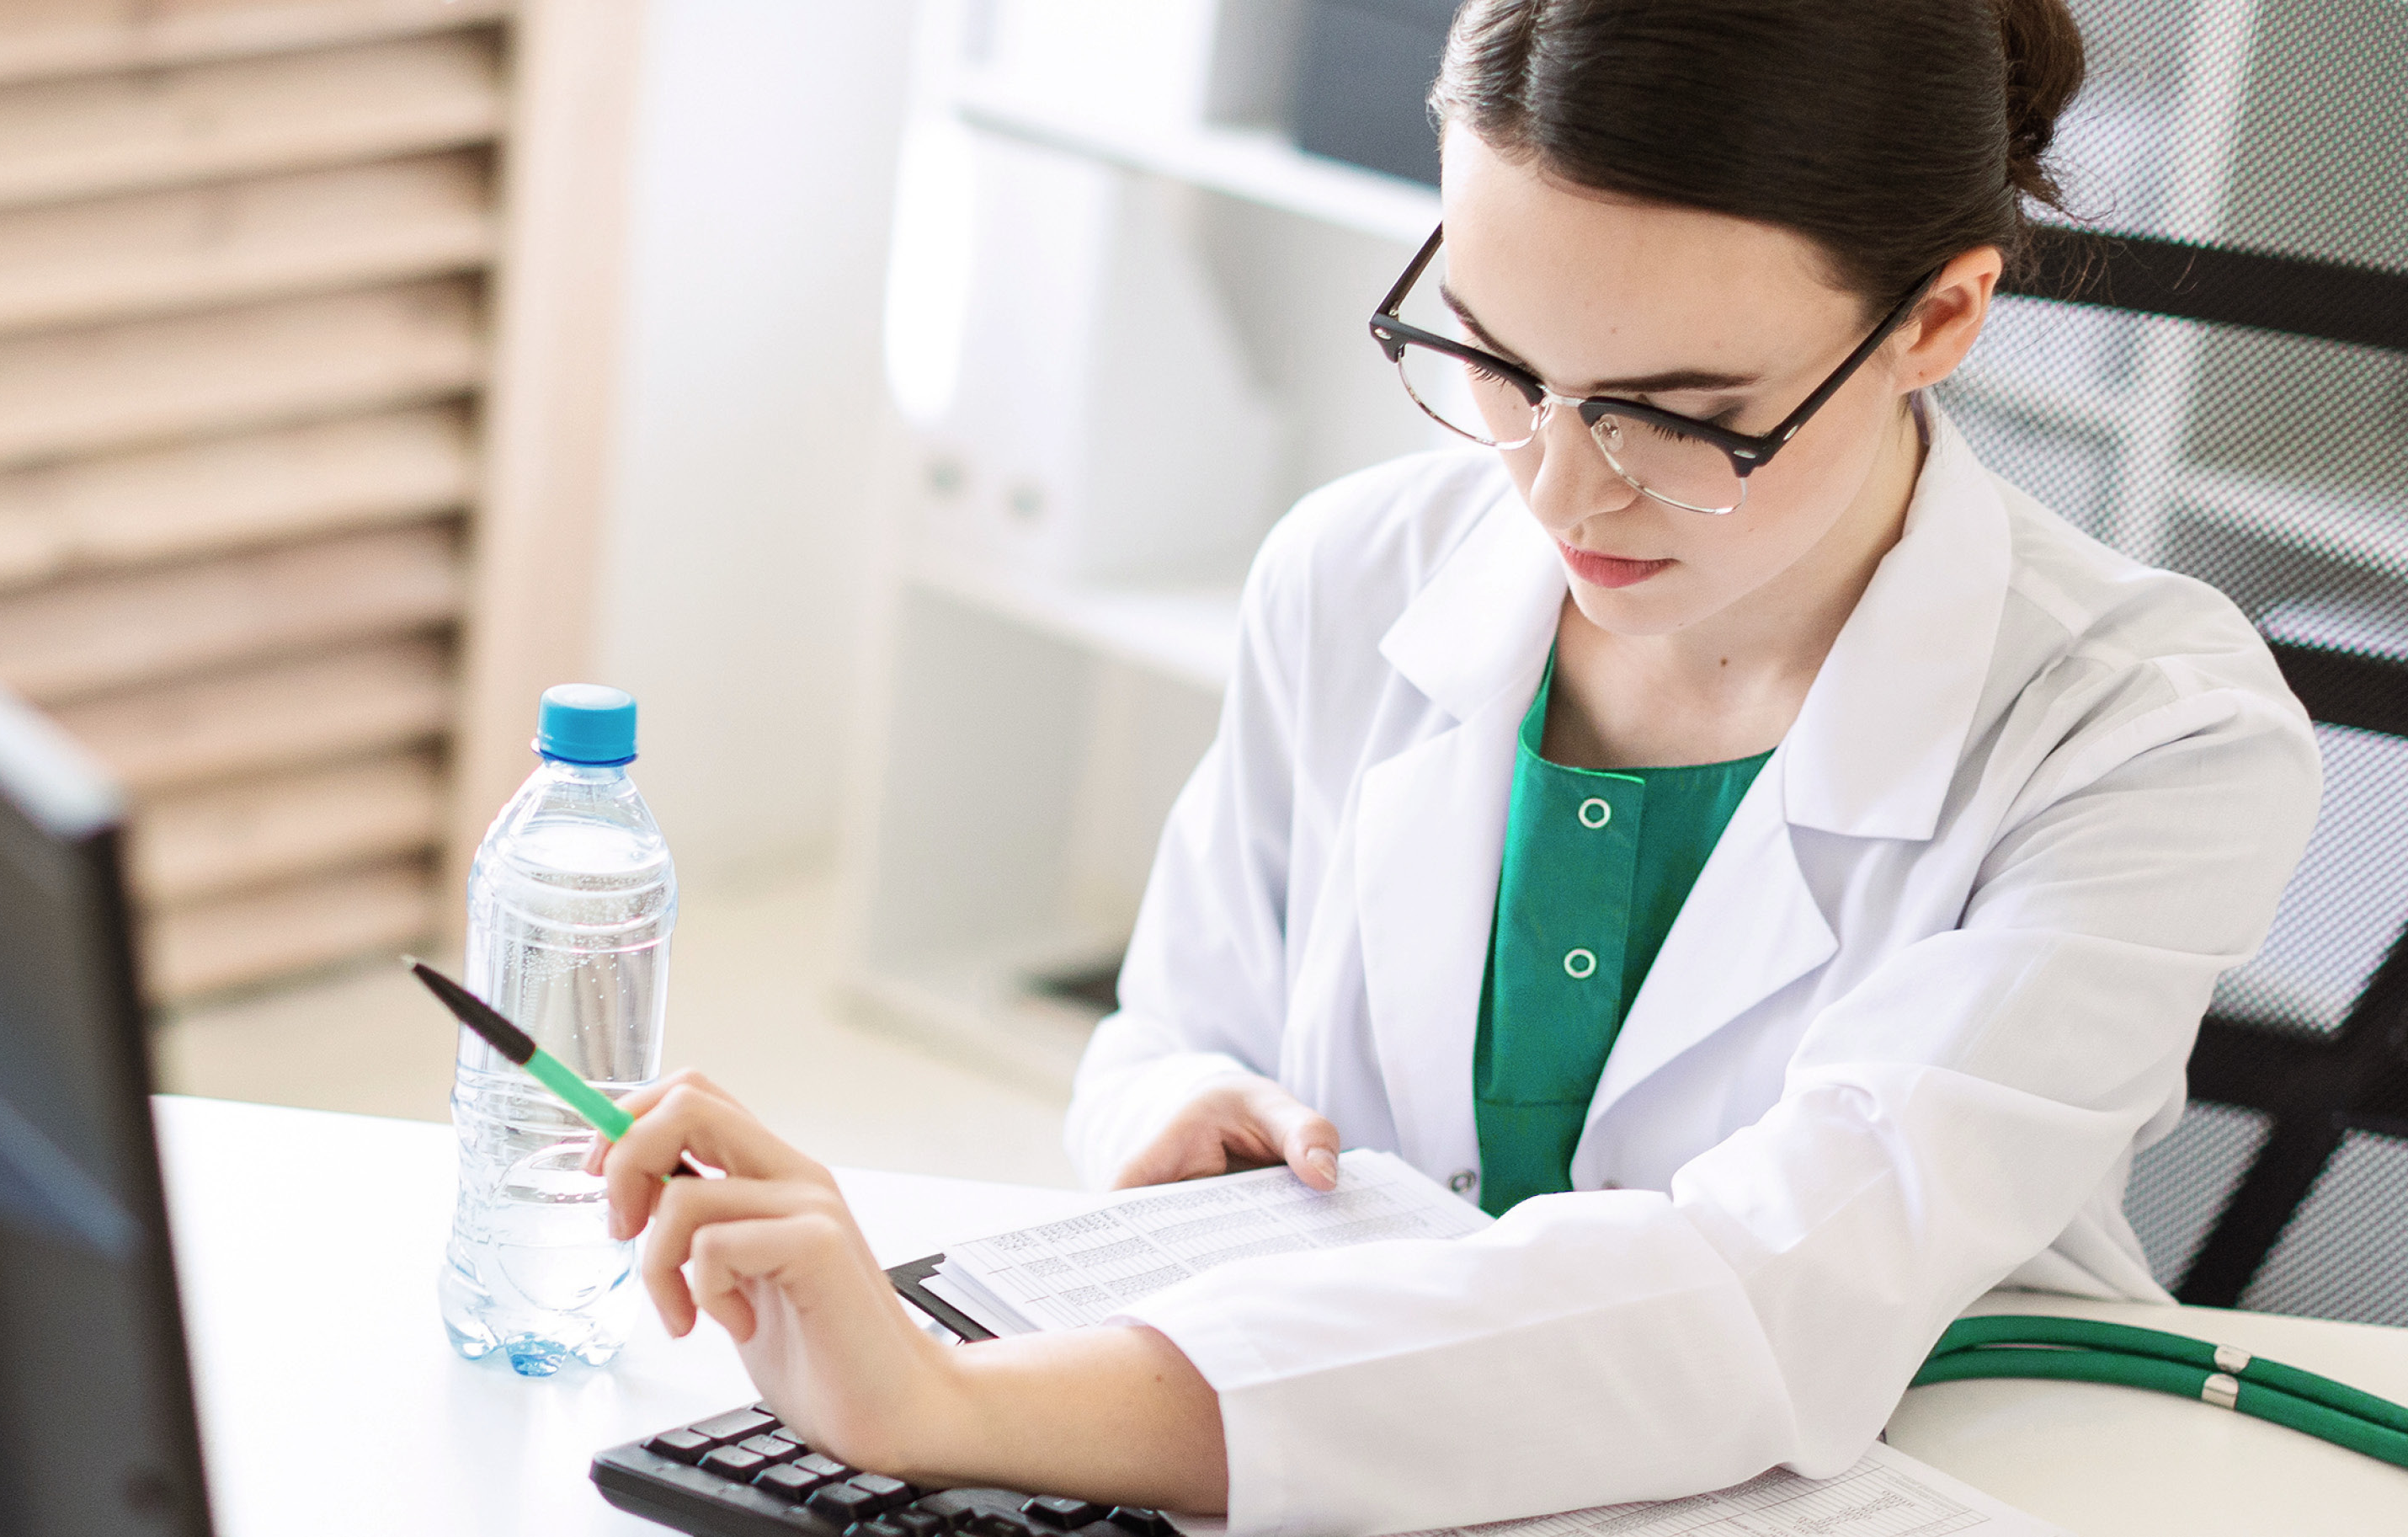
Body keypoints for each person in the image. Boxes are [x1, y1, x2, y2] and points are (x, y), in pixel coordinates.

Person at [594, 0, 2322, 1528]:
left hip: (1941, 1466)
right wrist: (1170, 1110)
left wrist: (953, 1407)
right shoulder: (1355, 572)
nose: (1558, 493)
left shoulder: (2145, 731)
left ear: (1939, 321)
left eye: (1680, 409)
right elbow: (1174, 1021)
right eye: (1499, 358)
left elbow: (1772, 1291)